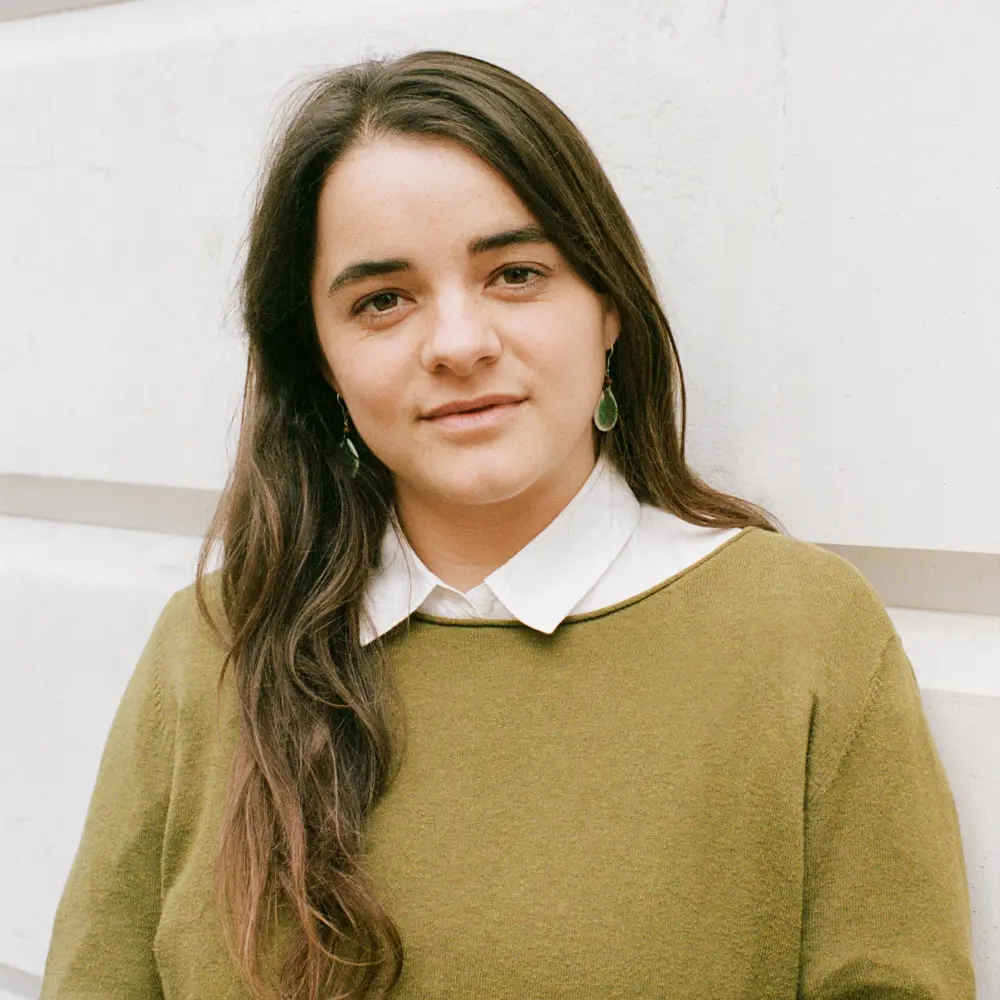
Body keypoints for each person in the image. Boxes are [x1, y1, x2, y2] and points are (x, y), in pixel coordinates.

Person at [39, 49, 975, 1000]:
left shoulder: (801, 633)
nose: (457, 344)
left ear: (608, 305)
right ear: (319, 360)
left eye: (516, 273)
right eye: (382, 301)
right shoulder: (214, 642)